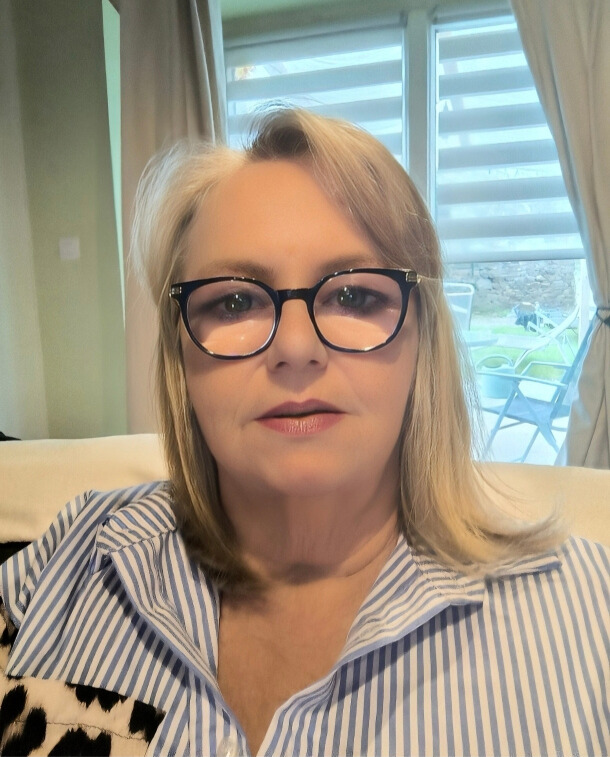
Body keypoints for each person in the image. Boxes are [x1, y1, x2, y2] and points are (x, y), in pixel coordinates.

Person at [0, 108, 608, 757]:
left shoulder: (590, 615)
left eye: (354, 296)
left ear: (422, 341)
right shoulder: (78, 552)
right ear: (180, 355)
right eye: (234, 301)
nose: (295, 348)